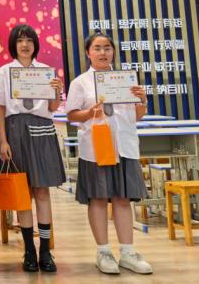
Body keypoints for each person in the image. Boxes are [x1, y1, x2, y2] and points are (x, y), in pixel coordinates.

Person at [65, 32, 152, 276]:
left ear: (113, 51)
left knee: (123, 199)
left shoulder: (125, 80)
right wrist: (89, 112)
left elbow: (136, 115)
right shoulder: (80, 82)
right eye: (97, 48)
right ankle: (103, 252)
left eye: (107, 48)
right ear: (88, 52)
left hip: (125, 145)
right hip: (96, 147)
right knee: (99, 198)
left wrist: (143, 100)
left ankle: (128, 252)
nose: (103, 52)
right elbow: (71, 115)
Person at [0, 24, 65, 272]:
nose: (25, 45)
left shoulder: (46, 71)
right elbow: (0, 109)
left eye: (29, 40)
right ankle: (28, 251)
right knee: (23, 194)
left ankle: (45, 251)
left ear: (35, 44)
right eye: (20, 40)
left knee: (42, 192)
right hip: (15, 132)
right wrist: (3, 141)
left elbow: (53, 108)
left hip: (42, 132)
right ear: (13, 45)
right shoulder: (4, 72)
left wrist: (57, 92)